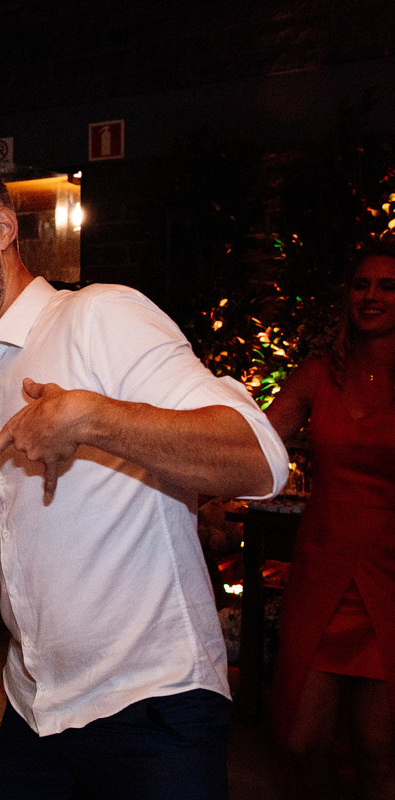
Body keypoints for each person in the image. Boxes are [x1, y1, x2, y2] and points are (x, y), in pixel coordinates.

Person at [0, 161, 289, 798]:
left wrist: (91, 417)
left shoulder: (99, 314)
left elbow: (260, 457)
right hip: (34, 710)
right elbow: (2, 535)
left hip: (148, 709)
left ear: (4, 230)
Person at [265, 241, 395, 799]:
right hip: (322, 570)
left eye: (387, 286)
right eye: (361, 284)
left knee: (378, 750)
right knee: (301, 739)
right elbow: (253, 442)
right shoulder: (317, 376)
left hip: (389, 576)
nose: (371, 296)